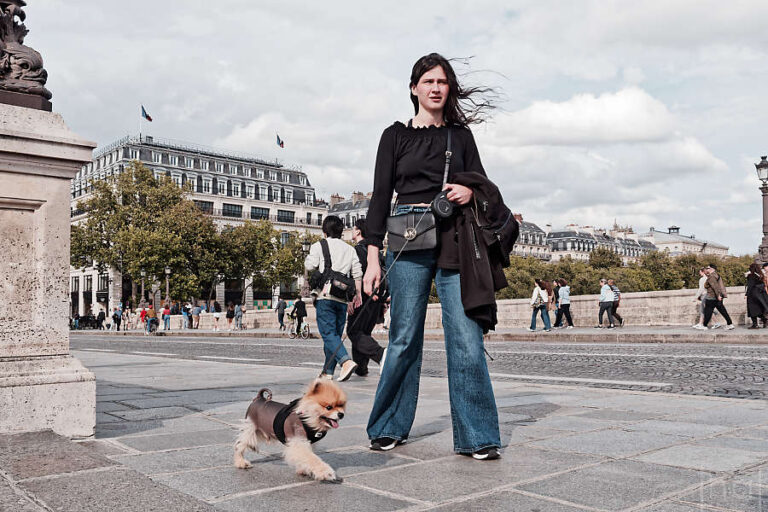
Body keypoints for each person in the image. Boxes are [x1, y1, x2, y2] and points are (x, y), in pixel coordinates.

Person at [362, 53, 502, 460]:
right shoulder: (394, 136)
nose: (436, 88)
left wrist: (469, 192)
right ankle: (388, 426)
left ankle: (478, 436)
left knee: (467, 339)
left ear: (449, 88)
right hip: (406, 238)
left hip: (456, 238)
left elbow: (483, 184)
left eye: (442, 81)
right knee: (404, 338)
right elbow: (379, 197)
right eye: (428, 81)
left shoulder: (461, 137)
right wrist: (373, 259)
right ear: (414, 88)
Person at [305, 215, 362, 381]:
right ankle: (327, 372)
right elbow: (357, 274)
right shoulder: (350, 249)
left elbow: (310, 265)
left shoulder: (319, 246)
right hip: (343, 298)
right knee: (334, 336)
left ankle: (346, 361)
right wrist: (357, 296)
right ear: (341, 231)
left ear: (324, 232)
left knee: (328, 334)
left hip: (326, 295)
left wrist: (308, 257)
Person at [347, 219, 387, 376]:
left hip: (362, 297)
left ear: (358, 232)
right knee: (363, 332)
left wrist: (351, 298)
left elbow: (354, 276)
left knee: (354, 331)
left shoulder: (356, 251)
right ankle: (361, 368)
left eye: (353, 228)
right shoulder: (374, 252)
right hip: (376, 298)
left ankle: (381, 354)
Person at [695, 264, 735, 330]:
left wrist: (718, 295)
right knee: (722, 311)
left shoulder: (712, 276)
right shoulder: (716, 275)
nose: (706, 269)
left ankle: (704, 325)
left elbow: (715, 287)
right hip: (717, 296)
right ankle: (730, 324)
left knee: (708, 311)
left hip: (712, 296)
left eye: (708, 268)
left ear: (712, 269)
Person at [746, 262, 768, 329]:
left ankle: (755, 324)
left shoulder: (751, 275)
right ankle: (764, 320)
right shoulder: (760, 275)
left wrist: (746, 294)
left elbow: (750, 285)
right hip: (760, 295)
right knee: (759, 309)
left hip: (752, 295)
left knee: (752, 309)